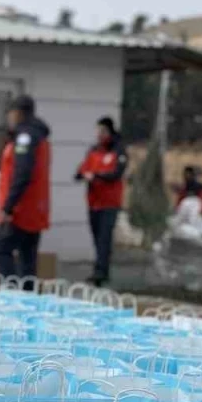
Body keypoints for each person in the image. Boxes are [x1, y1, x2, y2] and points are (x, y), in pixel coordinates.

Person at [0, 94, 51, 282]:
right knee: (27, 261)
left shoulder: (25, 137)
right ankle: (27, 296)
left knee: (0, 250)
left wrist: (8, 207)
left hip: (21, 210)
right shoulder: (39, 137)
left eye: (10, 113)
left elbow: (22, 173)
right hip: (35, 209)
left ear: (18, 113)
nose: (8, 118)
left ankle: (12, 294)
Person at [75, 116, 127, 285]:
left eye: (103, 131)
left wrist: (97, 176)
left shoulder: (118, 150)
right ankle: (100, 269)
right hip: (94, 202)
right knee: (97, 237)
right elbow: (82, 170)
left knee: (104, 237)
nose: (99, 134)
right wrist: (82, 175)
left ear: (110, 132)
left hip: (109, 203)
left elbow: (116, 173)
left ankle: (101, 271)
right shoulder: (94, 150)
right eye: (98, 131)